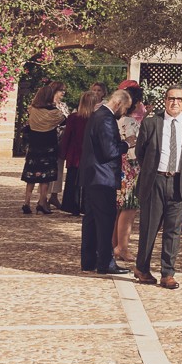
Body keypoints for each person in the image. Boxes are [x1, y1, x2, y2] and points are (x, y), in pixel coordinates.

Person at [134, 85, 182, 288]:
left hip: (179, 182)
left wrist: (180, 171)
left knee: (173, 230)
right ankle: (142, 268)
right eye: (171, 98)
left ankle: (167, 273)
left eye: (179, 99)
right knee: (149, 228)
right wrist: (155, 171)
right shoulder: (151, 123)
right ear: (165, 100)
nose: (175, 103)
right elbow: (141, 152)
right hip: (155, 181)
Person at [81, 87, 132, 277]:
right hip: (102, 177)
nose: (124, 113)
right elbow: (109, 150)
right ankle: (105, 262)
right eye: (125, 108)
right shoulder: (106, 118)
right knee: (104, 221)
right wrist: (128, 144)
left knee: (92, 220)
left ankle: (88, 261)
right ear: (118, 103)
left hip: (93, 175)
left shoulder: (97, 115)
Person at [59, 83, 106, 215]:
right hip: (91, 155)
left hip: (75, 154)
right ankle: (87, 206)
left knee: (72, 181)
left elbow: (67, 137)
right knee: (89, 183)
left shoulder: (73, 118)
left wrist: (63, 153)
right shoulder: (98, 119)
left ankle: (71, 206)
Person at [20, 82, 67, 214]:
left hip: (34, 146)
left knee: (31, 176)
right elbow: (64, 121)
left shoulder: (33, 110)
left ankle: (26, 202)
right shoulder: (54, 113)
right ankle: (42, 202)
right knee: (45, 177)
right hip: (48, 146)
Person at [115, 87, 147, 265]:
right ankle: (123, 246)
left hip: (120, 167)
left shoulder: (118, 120)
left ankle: (116, 244)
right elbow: (135, 147)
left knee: (120, 209)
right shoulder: (130, 122)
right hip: (131, 168)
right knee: (129, 209)